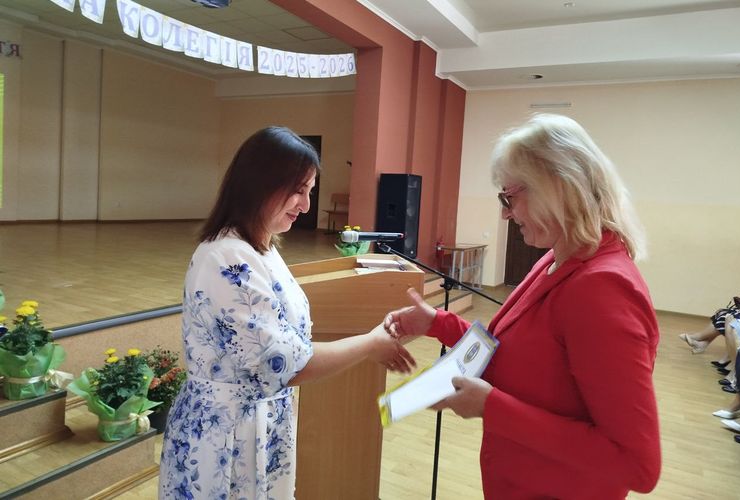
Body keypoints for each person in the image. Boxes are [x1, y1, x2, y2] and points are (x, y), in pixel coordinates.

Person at [385, 114, 661, 498]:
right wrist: (436, 322)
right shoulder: (556, 259)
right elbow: (511, 353)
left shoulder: (602, 288)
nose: (505, 213)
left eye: (509, 197)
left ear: (557, 187)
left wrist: (492, 407)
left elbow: (636, 464)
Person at [159, 127, 415, 499]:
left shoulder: (261, 248)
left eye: (310, 191)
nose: (306, 205)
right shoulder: (228, 258)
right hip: (226, 435)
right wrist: (370, 344)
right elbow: (285, 364)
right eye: (299, 190)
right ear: (259, 184)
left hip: (259, 424)